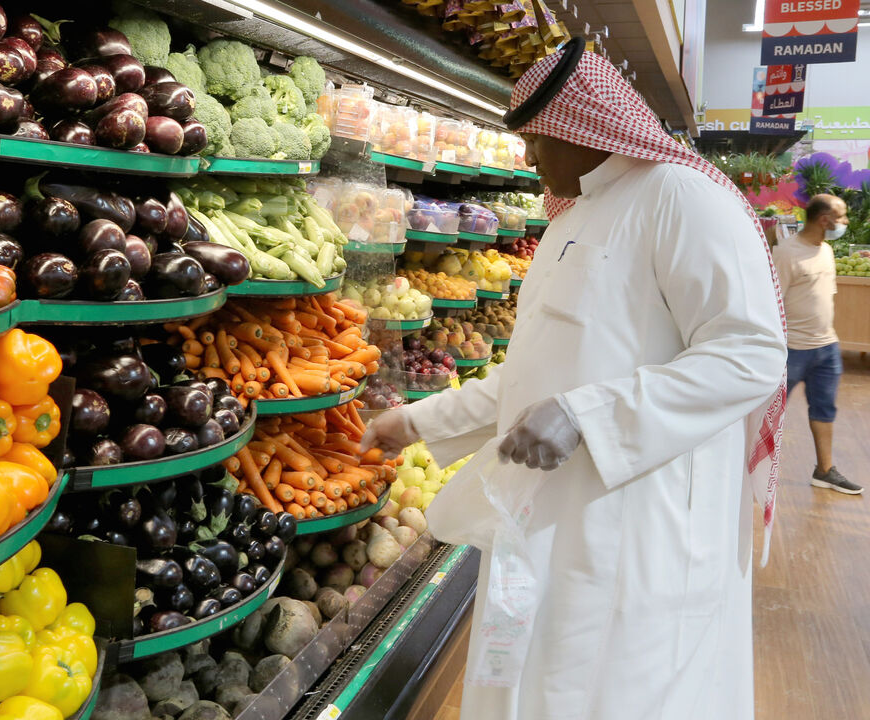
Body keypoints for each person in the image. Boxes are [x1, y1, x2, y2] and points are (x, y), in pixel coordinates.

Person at [360, 38, 788, 720]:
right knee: (540, 689)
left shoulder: (680, 197)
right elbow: (538, 370)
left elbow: (750, 355)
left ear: (580, 127)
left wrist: (589, 415)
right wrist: (417, 422)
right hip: (547, 522)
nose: (528, 158)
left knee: (620, 695)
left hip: (639, 530)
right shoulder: (575, 217)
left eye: (535, 140)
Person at [773, 194, 860, 494]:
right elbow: (773, 304)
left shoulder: (826, 250)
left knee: (824, 410)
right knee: (769, 412)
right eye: (843, 216)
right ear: (825, 219)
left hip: (826, 348)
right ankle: (750, 473)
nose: (845, 222)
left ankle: (824, 471)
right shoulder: (786, 253)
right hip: (791, 351)